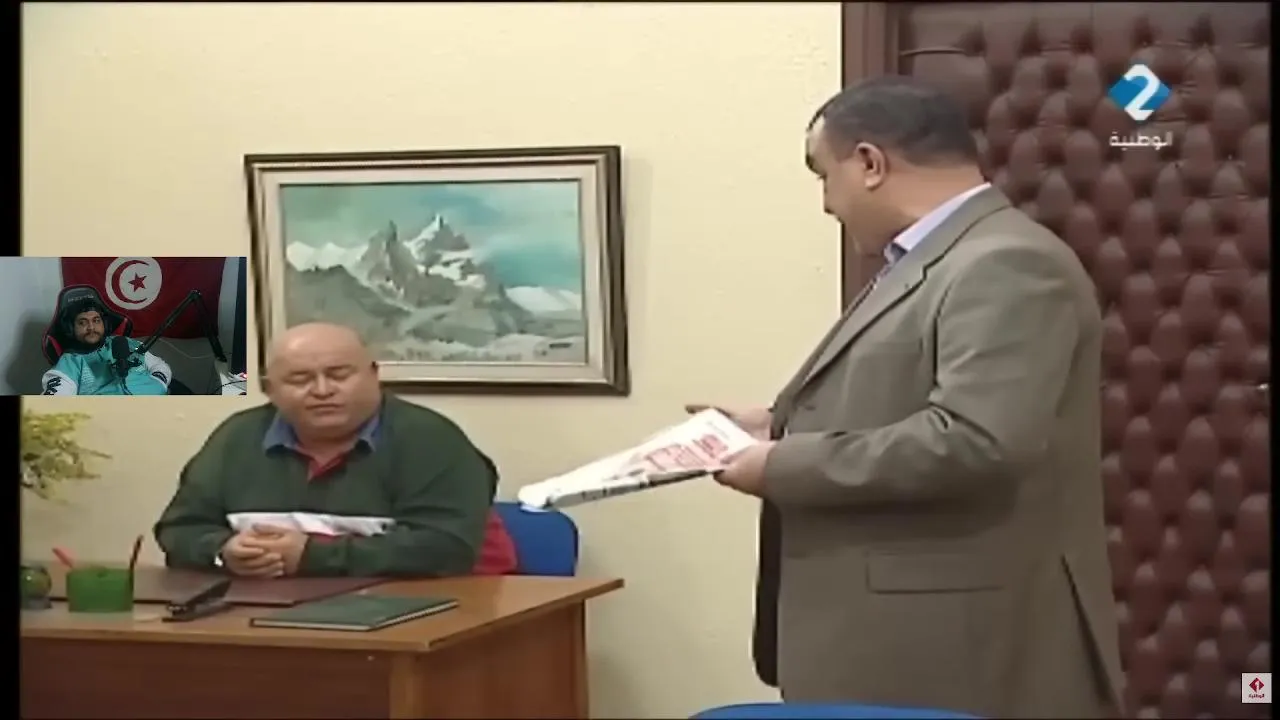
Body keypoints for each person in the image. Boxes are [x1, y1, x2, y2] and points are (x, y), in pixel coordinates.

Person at [694, 76, 1124, 717]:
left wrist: (780, 466)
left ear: (870, 164)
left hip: (958, 646)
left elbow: (977, 439)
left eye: (824, 176)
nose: (826, 204)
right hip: (896, 636)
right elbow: (906, 396)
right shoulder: (934, 258)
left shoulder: (1003, 263)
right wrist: (774, 425)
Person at [154, 322, 516, 578]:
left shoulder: (430, 440)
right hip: (265, 613)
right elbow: (179, 530)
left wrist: (311, 555)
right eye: (300, 379)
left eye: (339, 375)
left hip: (421, 615)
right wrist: (223, 552)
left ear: (374, 374)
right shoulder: (237, 438)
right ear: (269, 389)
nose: (322, 390)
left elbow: (446, 549)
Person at [41, 298, 173, 395]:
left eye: (96, 321)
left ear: (104, 324)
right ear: (71, 329)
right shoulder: (71, 362)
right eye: (82, 323)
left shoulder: (122, 342)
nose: (91, 327)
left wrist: (159, 383)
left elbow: (159, 365)